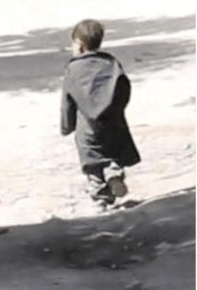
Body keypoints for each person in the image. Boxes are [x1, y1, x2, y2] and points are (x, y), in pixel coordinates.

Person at [60, 19, 140, 209]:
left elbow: (67, 101)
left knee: (92, 162)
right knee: (113, 153)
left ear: (79, 44)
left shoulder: (73, 68)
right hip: (113, 122)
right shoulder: (111, 63)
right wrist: (117, 109)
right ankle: (114, 173)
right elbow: (124, 88)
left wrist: (67, 125)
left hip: (86, 127)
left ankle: (101, 196)